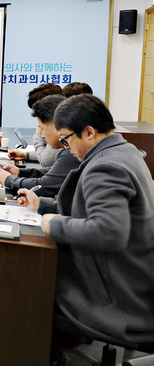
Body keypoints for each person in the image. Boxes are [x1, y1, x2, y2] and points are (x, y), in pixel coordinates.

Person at [17, 94, 154, 348]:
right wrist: (42, 205)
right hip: (134, 282)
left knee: (26, 287)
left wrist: (55, 225)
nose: (66, 148)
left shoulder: (105, 166)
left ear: (89, 132)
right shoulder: (125, 151)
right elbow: (91, 209)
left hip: (118, 300)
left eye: (67, 139)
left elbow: (108, 231)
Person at [0, 95, 79, 197]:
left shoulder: (72, 152)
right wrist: (20, 172)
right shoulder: (68, 150)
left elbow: (44, 186)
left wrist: (9, 180)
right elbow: (53, 172)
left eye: (42, 129)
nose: (42, 135)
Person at [8, 83, 64, 169]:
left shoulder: (59, 131)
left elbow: (46, 161)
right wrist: (27, 155)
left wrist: (39, 132)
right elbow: (50, 155)